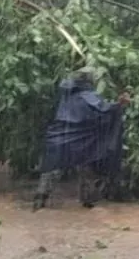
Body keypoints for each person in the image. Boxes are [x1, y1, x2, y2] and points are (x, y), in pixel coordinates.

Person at [34, 67, 130, 210]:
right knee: (87, 167)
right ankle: (87, 202)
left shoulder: (66, 94)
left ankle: (39, 201)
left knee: (52, 169)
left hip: (59, 137)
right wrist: (119, 104)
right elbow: (103, 109)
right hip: (83, 140)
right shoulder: (87, 95)